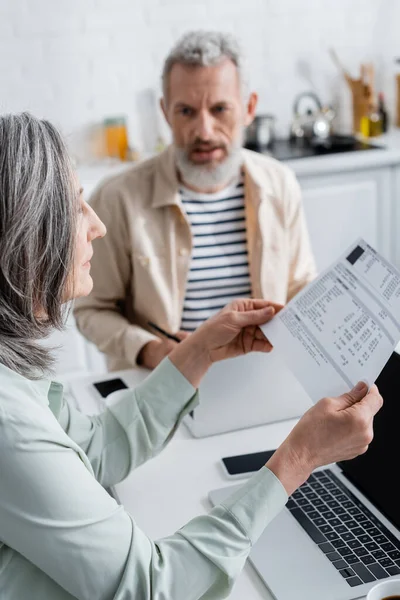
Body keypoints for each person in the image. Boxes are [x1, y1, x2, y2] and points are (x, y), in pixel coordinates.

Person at [0, 112, 382, 600]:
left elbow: (95, 451)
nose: (96, 226)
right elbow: (153, 587)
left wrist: (198, 350)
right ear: (29, 237)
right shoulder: (8, 422)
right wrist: (300, 456)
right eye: (76, 208)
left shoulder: (13, 373)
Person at [73, 30, 317, 372]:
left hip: (262, 375)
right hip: (159, 382)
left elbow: (302, 289)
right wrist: (152, 349)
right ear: (165, 112)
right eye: (186, 111)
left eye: (219, 109)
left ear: (249, 109)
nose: (203, 130)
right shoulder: (117, 198)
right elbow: (91, 309)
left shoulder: (281, 184)